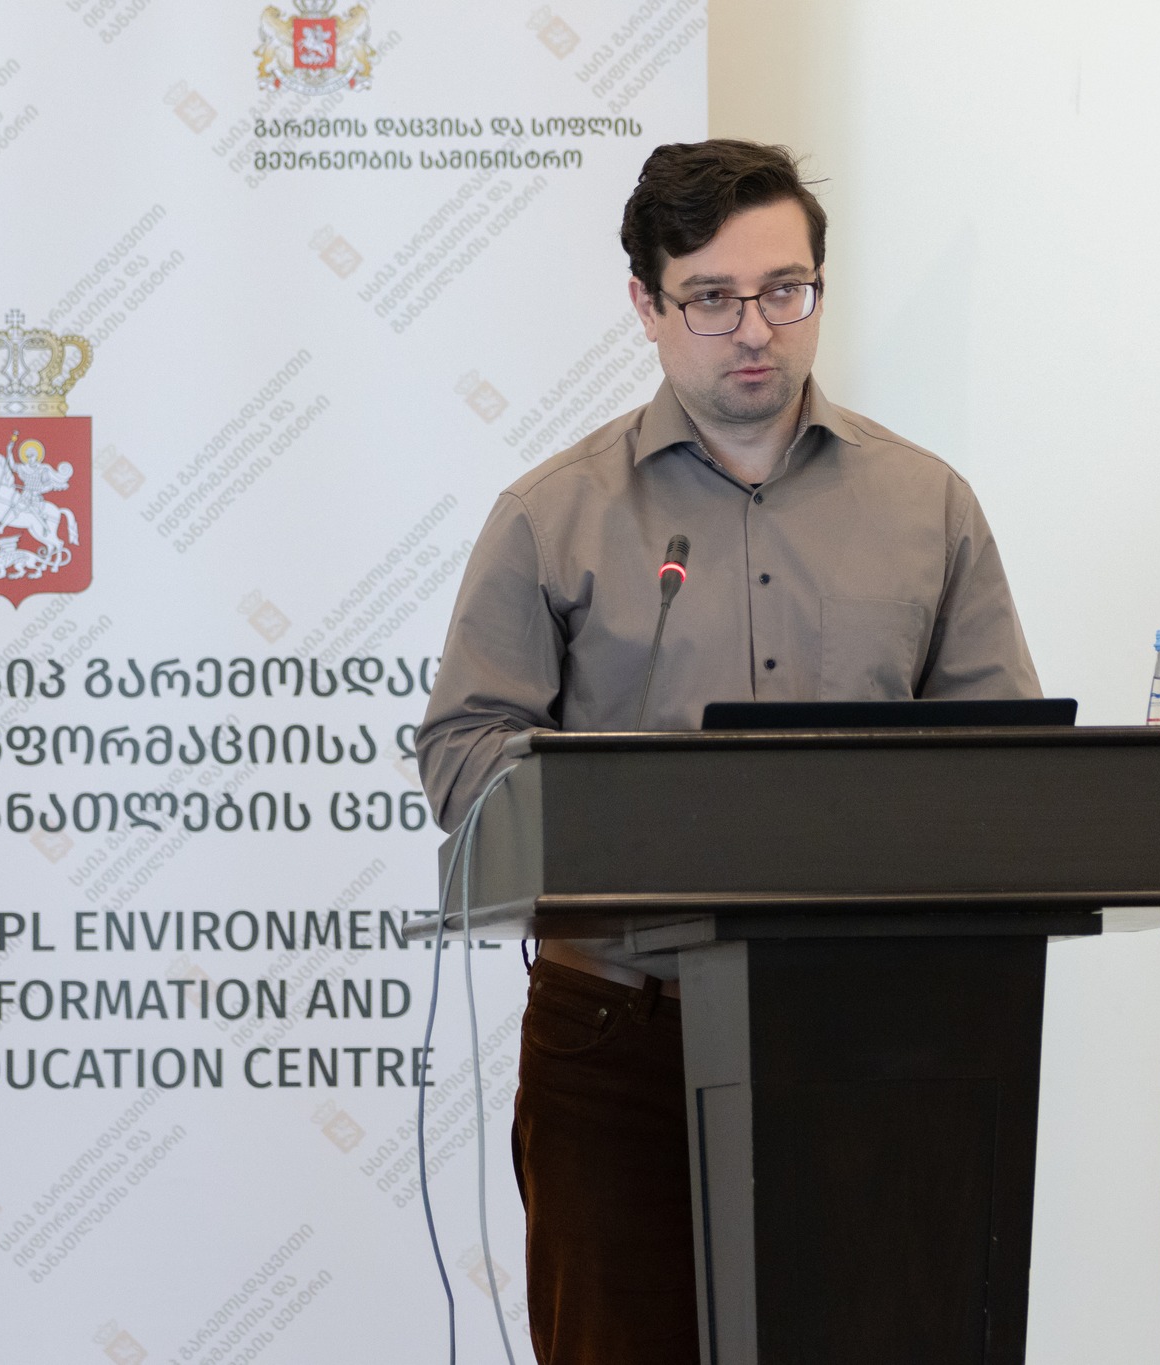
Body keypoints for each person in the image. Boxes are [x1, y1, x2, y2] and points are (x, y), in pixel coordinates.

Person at [415, 139, 1041, 1364]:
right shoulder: (553, 514)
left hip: (871, 1034)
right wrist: (624, 809)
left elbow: (1002, 763)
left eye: (783, 290)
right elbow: (462, 752)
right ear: (645, 305)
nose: (753, 329)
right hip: (619, 1037)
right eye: (709, 297)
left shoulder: (927, 507)